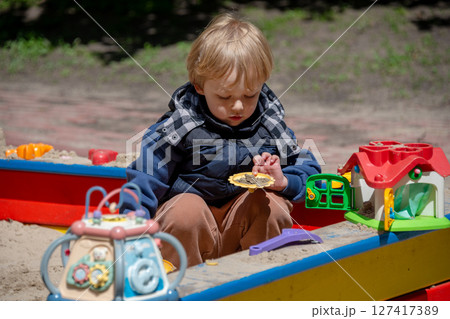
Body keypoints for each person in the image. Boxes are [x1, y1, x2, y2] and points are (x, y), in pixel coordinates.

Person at [121, 13, 321, 268]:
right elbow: (146, 176)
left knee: (270, 204)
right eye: (225, 97)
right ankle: (184, 290)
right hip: (190, 235)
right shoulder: (180, 127)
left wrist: (281, 180)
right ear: (200, 86)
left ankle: (261, 282)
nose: (238, 106)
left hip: (242, 231)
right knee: (186, 210)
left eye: (250, 95)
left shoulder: (270, 126)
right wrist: (133, 221)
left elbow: (307, 168)